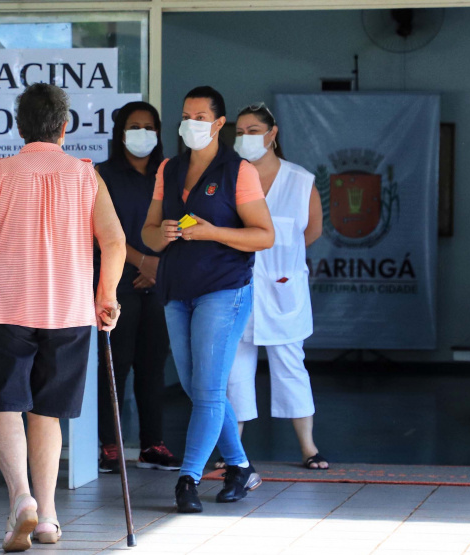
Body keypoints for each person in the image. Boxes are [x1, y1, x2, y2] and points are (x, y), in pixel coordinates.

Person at [0, 83, 126, 552]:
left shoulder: (1, 173)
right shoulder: (87, 175)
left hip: (6, 305)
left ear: (19, 128)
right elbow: (115, 241)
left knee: (4, 406)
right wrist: (106, 296)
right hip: (68, 308)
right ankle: (49, 518)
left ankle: (21, 498)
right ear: (64, 128)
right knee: (47, 413)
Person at [141, 86, 275, 513]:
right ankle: (240, 467)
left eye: (200, 118)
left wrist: (211, 231)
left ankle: (189, 478)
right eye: (186, 116)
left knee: (209, 388)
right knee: (196, 386)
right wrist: (160, 234)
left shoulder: (238, 171)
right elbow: (147, 232)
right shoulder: (169, 168)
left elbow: (264, 236)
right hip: (176, 290)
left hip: (224, 288)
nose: (191, 124)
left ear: (218, 124)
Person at [225, 102, 328, 469]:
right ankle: (233, 451)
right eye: (240, 132)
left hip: (284, 289)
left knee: (291, 366)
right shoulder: (229, 177)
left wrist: (281, 262)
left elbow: (311, 231)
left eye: (253, 131)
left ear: (272, 134)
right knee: (234, 371)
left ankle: (309, 447)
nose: (246, 138)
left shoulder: (300, 181)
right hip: (237, 286)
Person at [94, 101, 179, 474]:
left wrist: (158, 264)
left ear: (158, 133)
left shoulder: (171, 174)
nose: (142, 133)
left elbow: (185, 221)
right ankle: (110, 445)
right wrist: (142, 261)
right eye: (134, 126)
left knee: (153, 366)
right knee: (115, 365)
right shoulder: (102, 174)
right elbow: (99, 229)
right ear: (120, 133)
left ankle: (152, 445)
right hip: (116, 282)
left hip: (160, 280)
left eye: (149, 127)